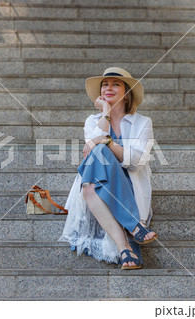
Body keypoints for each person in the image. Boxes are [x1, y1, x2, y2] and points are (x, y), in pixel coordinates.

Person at [59, 67, 157, 270]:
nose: (108, 88)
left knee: (101, 153)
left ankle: (127, 243)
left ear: (127, 92)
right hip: (97, 179)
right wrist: (105, 111)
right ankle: (130, 236)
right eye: (105, 84)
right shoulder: (92, 120)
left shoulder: (143, 123)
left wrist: (109, 142)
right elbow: (91, 152)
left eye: (115, 84)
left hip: (129, 179)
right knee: (96, 164)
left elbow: (138, 160)